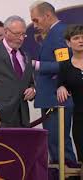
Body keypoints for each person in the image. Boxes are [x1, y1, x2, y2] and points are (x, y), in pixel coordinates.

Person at [29, 1, 78, 166]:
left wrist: (36, 65)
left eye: (36, 20)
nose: (35, 25)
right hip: (52, 98)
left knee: (59, 143)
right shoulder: (54, 33)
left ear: (47, 15)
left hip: (57, 99)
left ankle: (67, 174)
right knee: (55, 143)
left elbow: (65, 66)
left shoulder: (59, 33)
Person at [57, 24, 83, 163]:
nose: (81, 40)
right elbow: (60, 83)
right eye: (76, 38)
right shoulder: (65, 66)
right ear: (68, 42)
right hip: (80, 120)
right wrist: (61, 86)